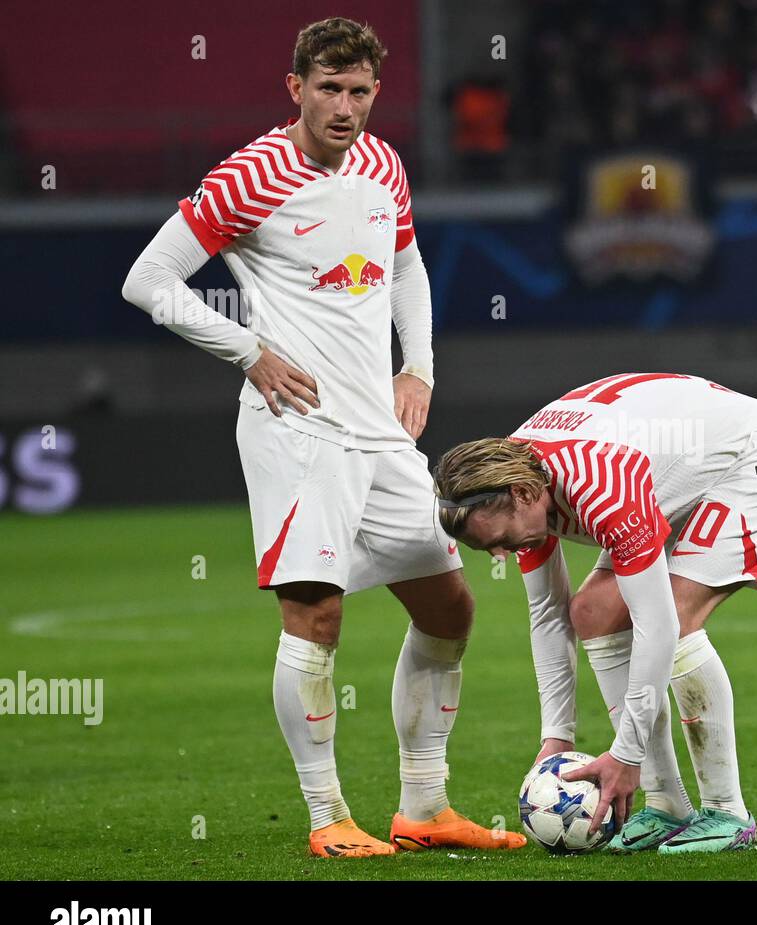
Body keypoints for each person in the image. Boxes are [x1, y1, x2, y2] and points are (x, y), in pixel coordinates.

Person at [120, 17, 524, 859]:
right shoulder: (252, 174)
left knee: (450, 604)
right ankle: (327, 817)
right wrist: (249, 351)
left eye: (361, 92)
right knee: (317, 614)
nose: (345, 107)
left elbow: (405, 266)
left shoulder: (384, 164)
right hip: (297, 428)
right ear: (296, 86)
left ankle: (423, 805)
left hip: (380, 429)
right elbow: (148, 279)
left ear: (377, 92)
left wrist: (420, 368)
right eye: (329, 89)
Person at [434, 373, 757, 853]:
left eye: (500, 541)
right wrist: (556, 735)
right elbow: (549, 613)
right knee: (593, 612)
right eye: (486, 549)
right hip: (682, 470)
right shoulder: (513, 480)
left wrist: (626, 753)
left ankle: (728, 812)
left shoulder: (598, 485)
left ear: (524, 496)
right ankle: (667, 805)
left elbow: (658, 627)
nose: (500, 556)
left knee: (676, 619)